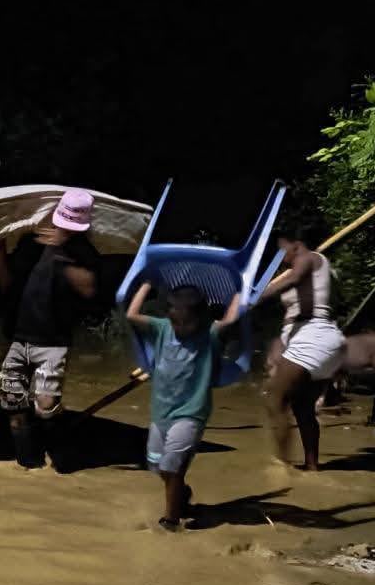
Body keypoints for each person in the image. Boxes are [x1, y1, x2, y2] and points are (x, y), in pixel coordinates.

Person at [0, 189, 101, 467]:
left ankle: (59, 447)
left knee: (45, 406)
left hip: (53, 342)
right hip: (18, 337)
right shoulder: (32, 242)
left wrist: (60, 250)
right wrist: (0, 252)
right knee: (12, 402)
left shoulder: (82, 252)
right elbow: (9, 286)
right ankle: (28, 465)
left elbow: (88, 289)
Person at [126, 282, 240, 530]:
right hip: (161, 412)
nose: (180, 328)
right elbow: (131, 315)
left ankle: (171, 520)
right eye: (176, 322)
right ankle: (181, 495)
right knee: (157, 467)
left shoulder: (210, 334)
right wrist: (147, 282)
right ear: (168, 316)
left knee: (171, 466)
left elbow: (231, 320)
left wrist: (240, 289)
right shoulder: (162, 328)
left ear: (200, 318)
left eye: (187, 323)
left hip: (191, 413)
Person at [253, 223, 345, 470]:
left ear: (295, 244)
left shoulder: (310, 258)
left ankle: (282, 468)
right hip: (315, 339)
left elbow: (294, 278)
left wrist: (254, 298)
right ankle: (312, 468)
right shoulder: (316, 271)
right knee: (302, 407)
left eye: (282, 250)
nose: (280, 257)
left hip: (313, 337)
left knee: (274, 399)